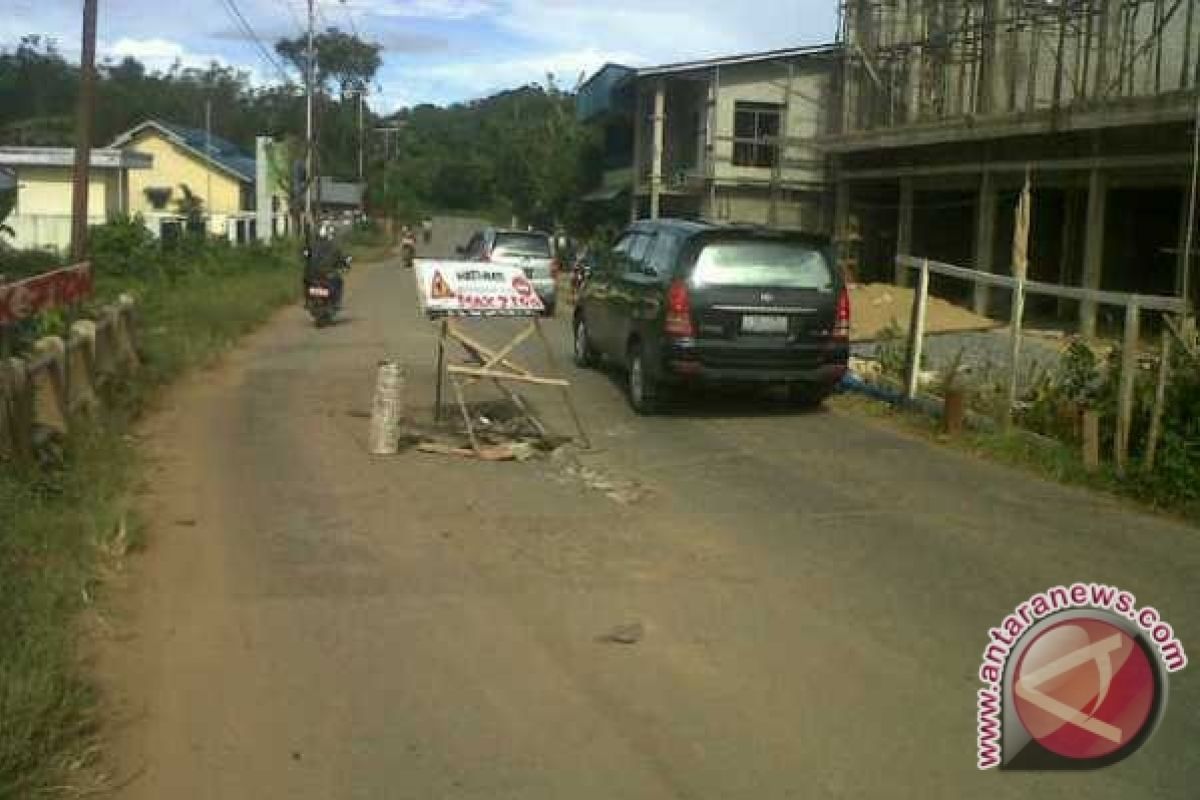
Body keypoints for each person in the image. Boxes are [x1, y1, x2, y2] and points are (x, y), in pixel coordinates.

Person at [303, 223, 346, 305]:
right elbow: (340, 258)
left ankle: (308, 300)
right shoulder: (333, 246)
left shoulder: (312, 245)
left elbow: (305, 255)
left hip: (312, 273)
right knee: (338, 280)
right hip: (325, 273)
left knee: (307, 280)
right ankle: (334, 301)